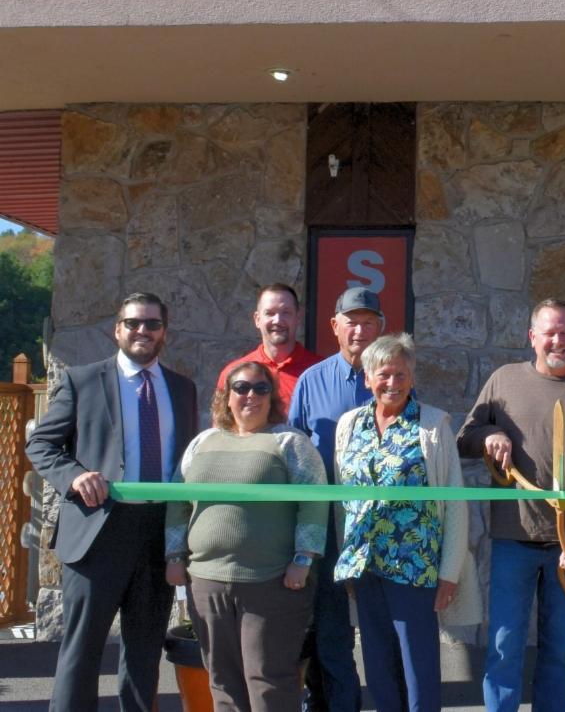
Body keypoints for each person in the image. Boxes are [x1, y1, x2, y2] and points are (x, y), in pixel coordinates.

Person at [26, 291, 198, 712]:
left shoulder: (182, 388)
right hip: (97, 530)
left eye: (152, 324)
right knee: (81, 651)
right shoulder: (82, 380)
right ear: (117, 329)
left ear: (165, 333)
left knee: (143, 652)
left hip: (158, 535)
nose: (143, 331)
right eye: (134, 323)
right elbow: (42, 444)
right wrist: (75, 476)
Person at [457, 298, 565, 712]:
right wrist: (490, 434)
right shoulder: (503, 381)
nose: (558, 340)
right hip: (514, 540)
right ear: (532, 337)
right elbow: (465, 439)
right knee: (505, 646)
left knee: (558, 651)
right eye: (549, 332)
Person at [165, 360, 327, 712]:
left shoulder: (289, 443)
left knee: (268, 680)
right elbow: (178, 504)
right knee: (221, 680)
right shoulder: (202, 443)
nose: (250, 395)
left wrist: (303, 559)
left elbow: (314, 505)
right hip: (207, 581)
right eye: (240, 388)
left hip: (271, 583)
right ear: (226, 396)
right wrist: (175, 557)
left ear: (272, 397)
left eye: (260, 388)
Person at [334, 334, 481, 712]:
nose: (393, 383)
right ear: (367, 379)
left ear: (411, 377)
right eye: (384, 375)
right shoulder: (350, 425)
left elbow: (455, 503)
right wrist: (345, 557)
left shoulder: (432, 426)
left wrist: (449, 572)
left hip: (416, 569)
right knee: (379, 667)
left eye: (401, 374)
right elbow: (341, 500)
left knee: (419, 670)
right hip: (366, 567)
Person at [288, 287, 386, 712]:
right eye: (352, 321)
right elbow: (292, 450)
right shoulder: (312, 381)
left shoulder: (394, 378)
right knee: (331, 631)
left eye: (368, 321)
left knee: (381, 627)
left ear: (381, 327)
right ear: (335, 327)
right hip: (328, 527)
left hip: (380, 527)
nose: (360, 330)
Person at [216, 283, 320, 409]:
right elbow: (223, 424)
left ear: (298, 317)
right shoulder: (234, 374)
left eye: (286, 312)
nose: (277, 320)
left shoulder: (320, 372)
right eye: (270, 313)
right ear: (257, 319)